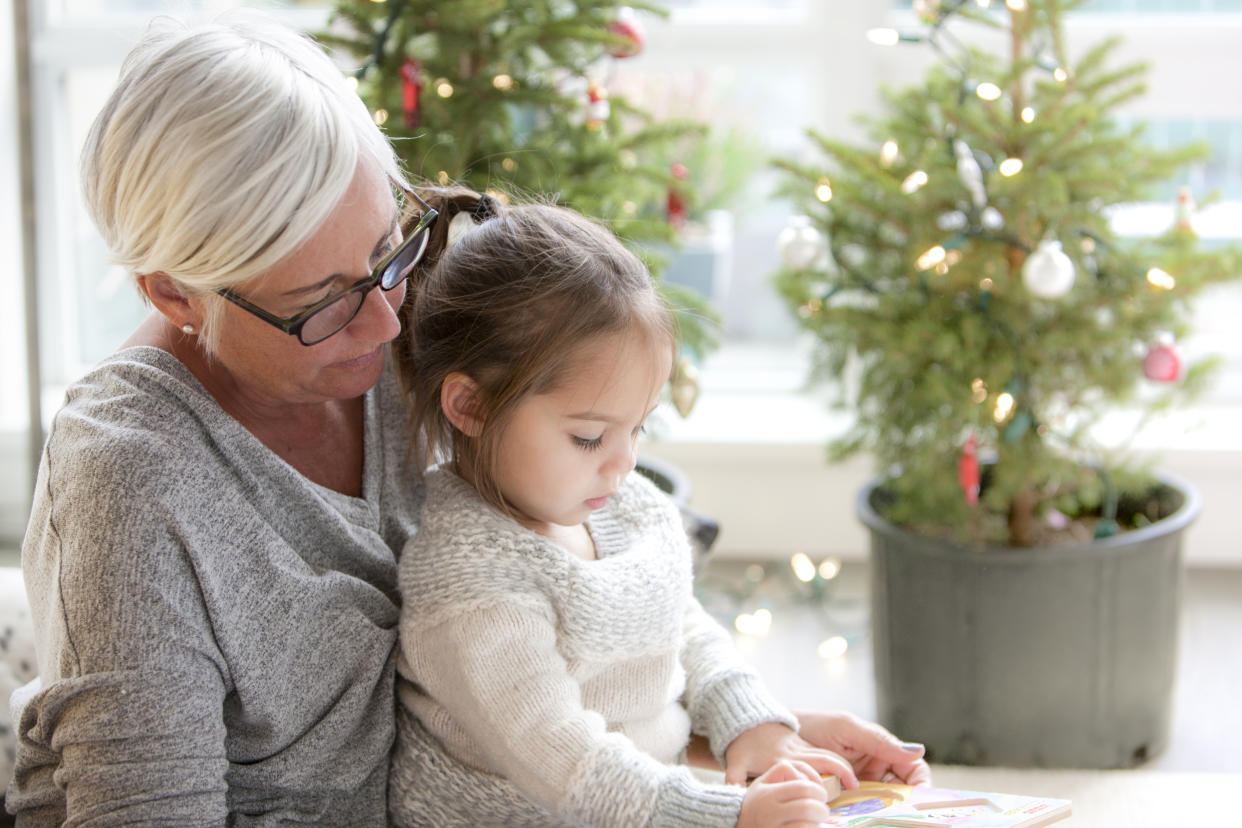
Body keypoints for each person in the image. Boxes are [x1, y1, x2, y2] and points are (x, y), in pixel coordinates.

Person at [6, 12, 928, 827]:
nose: (385, 322)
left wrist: (746, 728)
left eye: (385, 253)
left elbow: (548, 621)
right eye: (323, 300)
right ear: (172, 292)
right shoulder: (127, 492)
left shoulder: (401, 322)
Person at [386, 196, 930, 828]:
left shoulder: (622, 507)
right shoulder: (468, 586)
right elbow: (569, 760)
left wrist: (752, 724)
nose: (621, 464)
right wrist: (727, 816)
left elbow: (678, 627)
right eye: (589, 437)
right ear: (471, 407)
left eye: (637, 429)